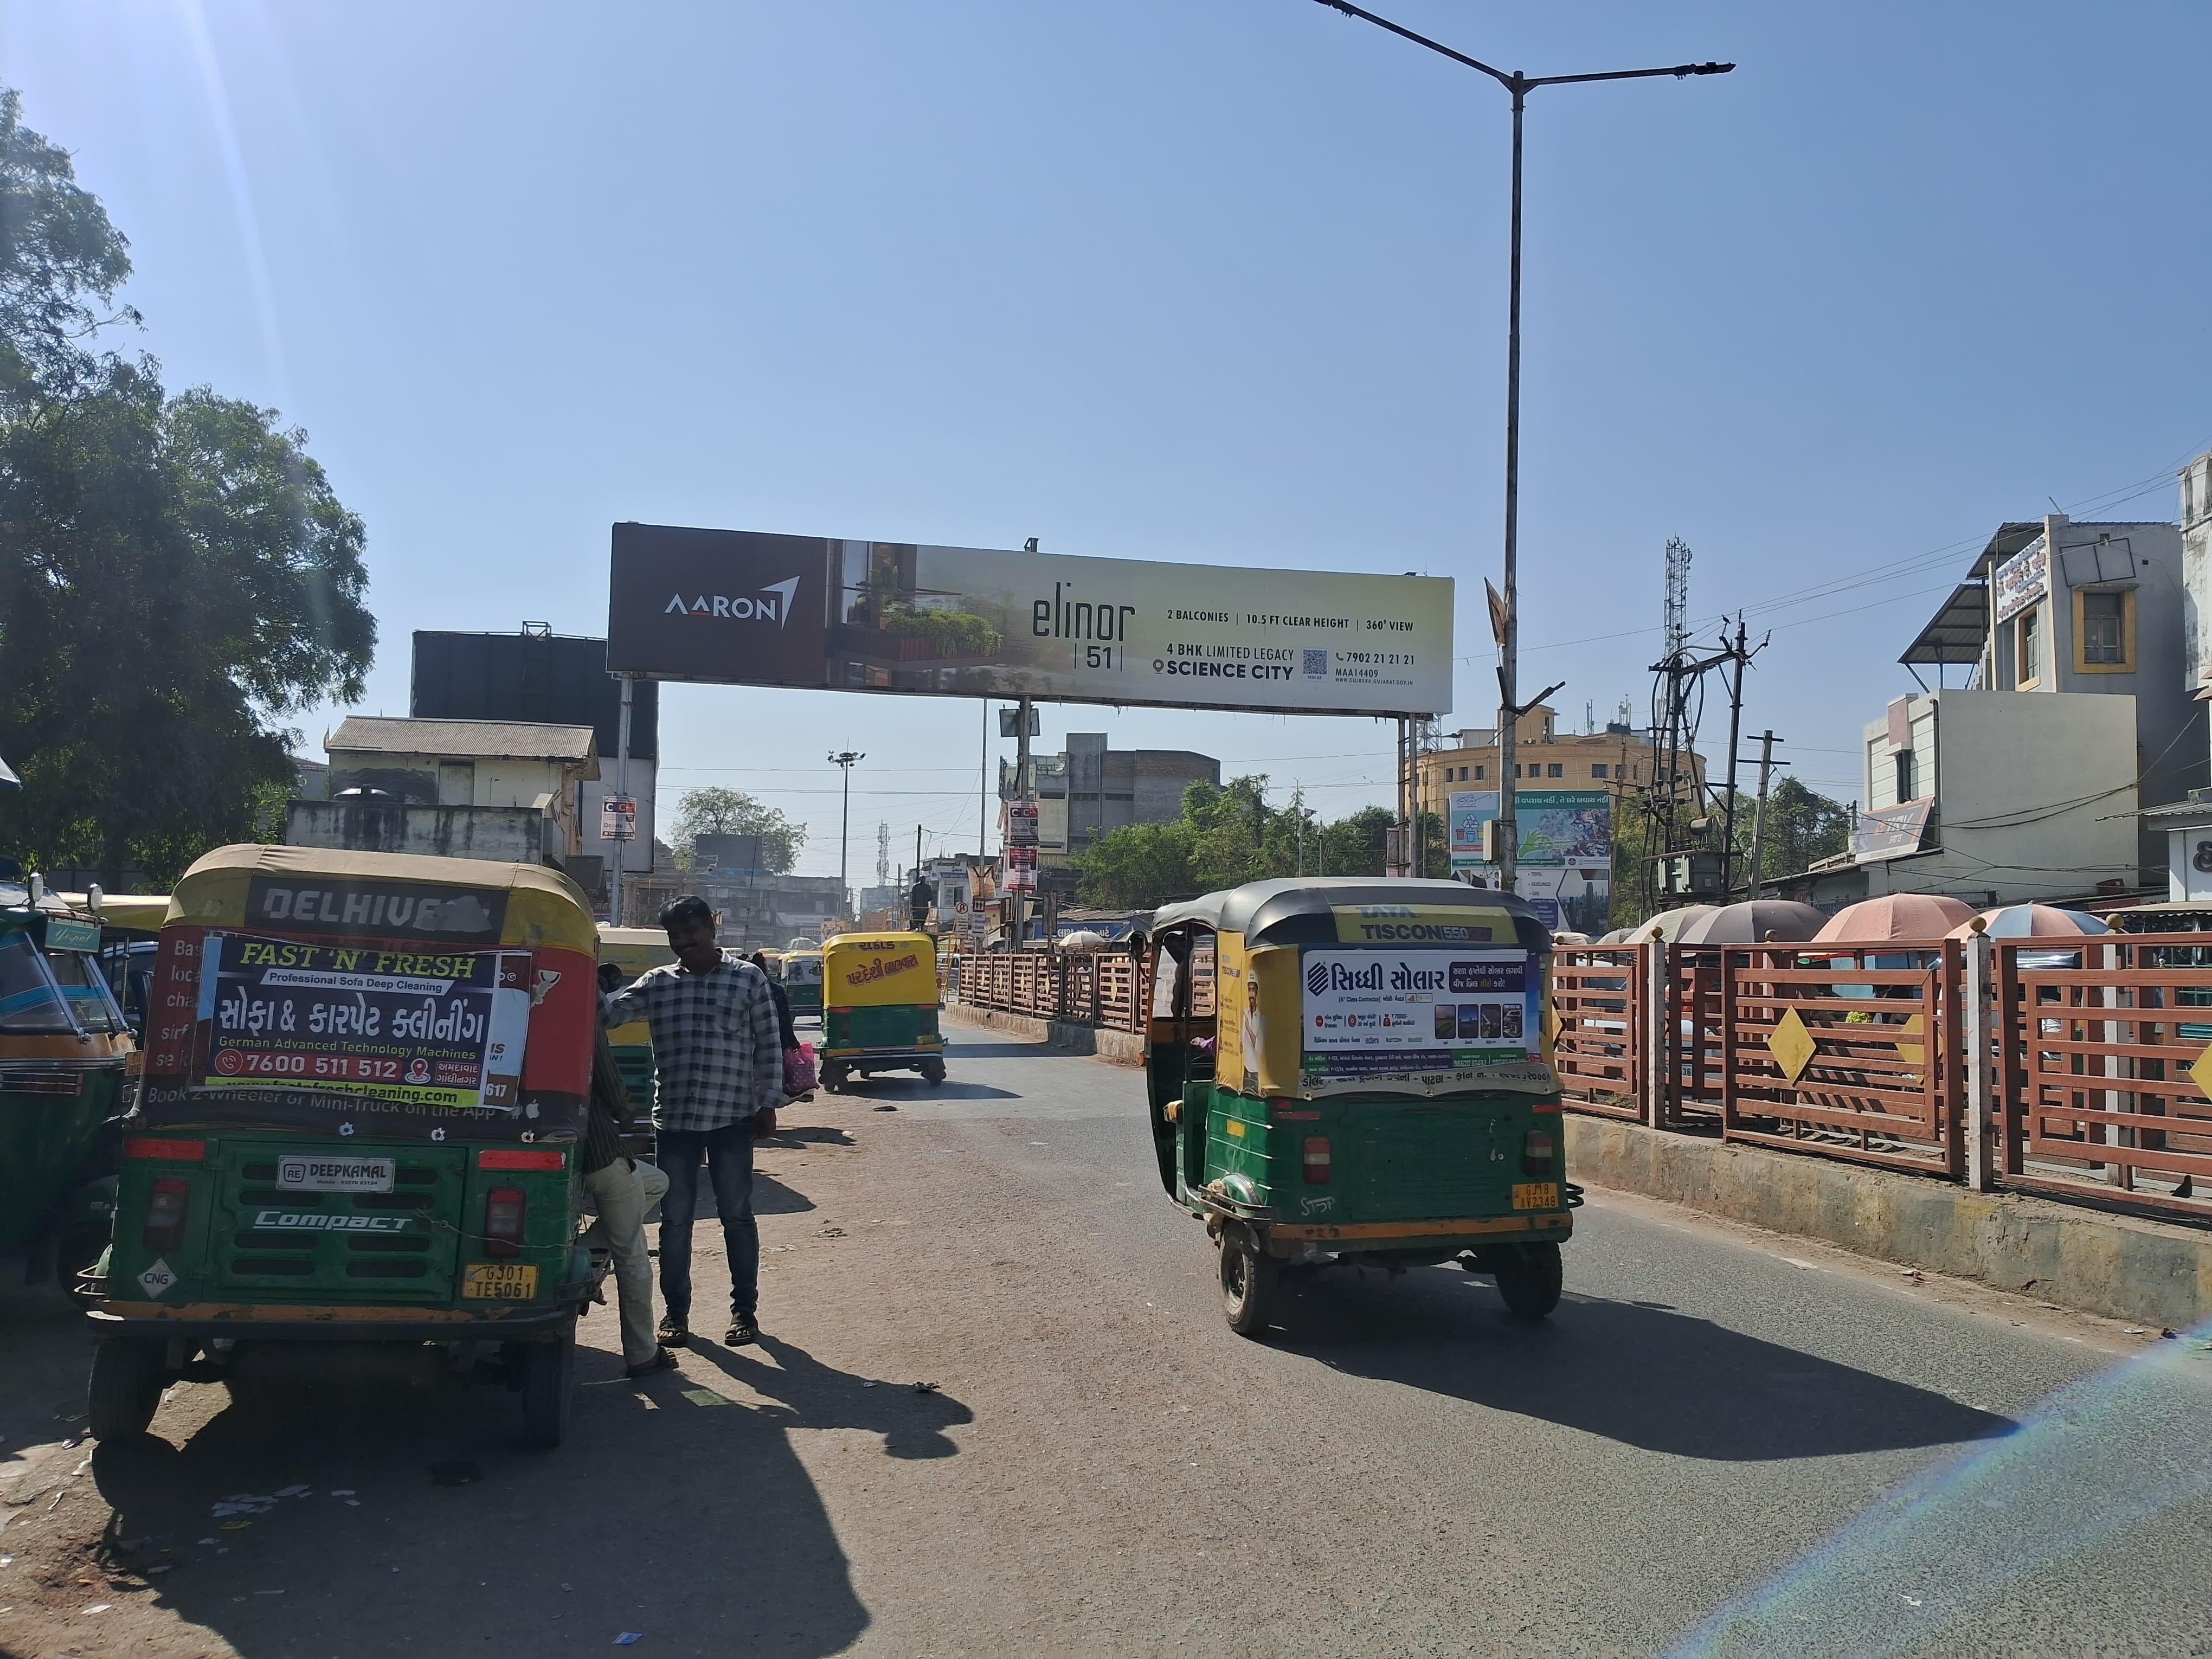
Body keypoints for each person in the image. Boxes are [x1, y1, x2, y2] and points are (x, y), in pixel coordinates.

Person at [601, 896, 784, 1348]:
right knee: (675, 1221)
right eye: (676, 937)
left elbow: (769, 1045)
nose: (684, 944)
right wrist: (589, 978)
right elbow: (608, 1016)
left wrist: (768, 1104)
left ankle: (745, 1313)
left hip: (732, 1120)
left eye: (691, 934)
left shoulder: (748, 979)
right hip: (676, 1122)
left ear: (711, 929)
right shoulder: (658, 983)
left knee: (737, 1217)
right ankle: (676, 1315)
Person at [581, 1009, 676, 1378]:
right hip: (596, 1149)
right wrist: (624, 1109)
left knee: (656, 1182)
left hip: (549, 1142)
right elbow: (605, 1073)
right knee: (632, 1255)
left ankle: (582, 1260)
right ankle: (642, 1353)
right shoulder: (576, 1006)